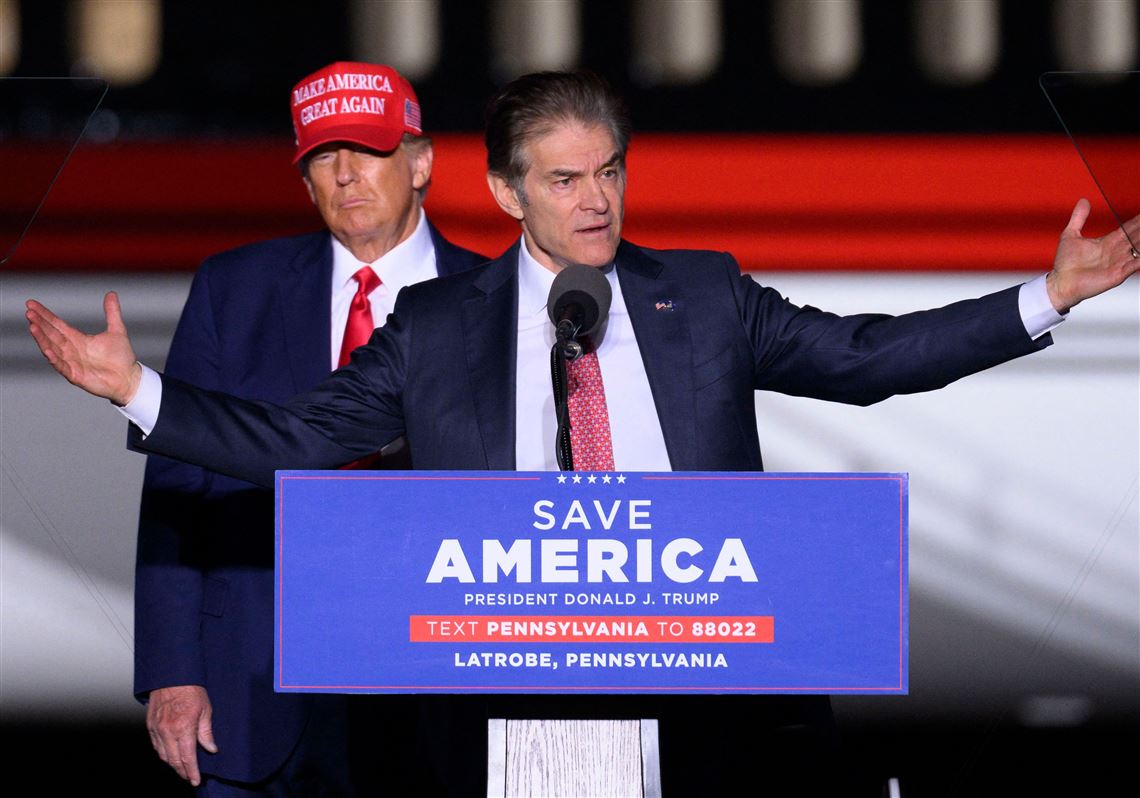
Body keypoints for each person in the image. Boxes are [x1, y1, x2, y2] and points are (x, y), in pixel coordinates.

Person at [26, 70, 1140, 794]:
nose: (596, 200)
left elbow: (865, 357)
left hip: (704, 693)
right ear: (511, 194)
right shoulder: (435, 326)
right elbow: (298, 441)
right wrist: (145, 394)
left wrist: (1043, 297)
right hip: (506, 703)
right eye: (565, 180)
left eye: (609, 172)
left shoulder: (702, 298)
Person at [131, 61, 484, 795]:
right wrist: (171, 672)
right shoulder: (234, 289)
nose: (347, 172)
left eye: (368, 149)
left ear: (422, 162)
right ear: (304, 181)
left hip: (438, 693)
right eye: (323, 155)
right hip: (252, 693)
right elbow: (176, 489)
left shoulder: (497, 298)